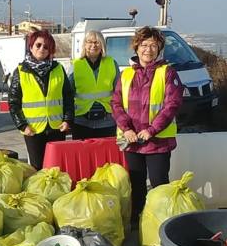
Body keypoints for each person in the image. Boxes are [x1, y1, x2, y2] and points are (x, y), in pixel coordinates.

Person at [111, 26, 183, 224]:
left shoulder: (167, 72)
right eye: (144, 45)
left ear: (159, 48)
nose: (148, 50)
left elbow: (172, 105)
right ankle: (138, 222)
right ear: (136, 47)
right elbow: (116, 104)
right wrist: (127, 129)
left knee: (159, 184)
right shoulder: (126, 75)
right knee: (137, 183)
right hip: (132, 141)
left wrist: (151, 130)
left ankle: (162, 223)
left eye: (153, 45)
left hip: (157, 141)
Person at [7, 29, 73, 169]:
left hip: (56, 128)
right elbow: (13, 103)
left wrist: (67, 120)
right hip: (33, 130)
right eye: (38, 45)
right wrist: (22, 126)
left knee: (57, 168)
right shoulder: (21, 71)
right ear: (31, 47)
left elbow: (68, 97)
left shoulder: (58, 69)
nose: (42, 49)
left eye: (46, 46)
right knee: (37, 169)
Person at [69, 30, 119, 139]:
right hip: (81, 121)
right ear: (84, 45)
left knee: (105, 155)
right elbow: (68, 93)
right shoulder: (76, 65)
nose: (93, 45)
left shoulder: (112, 63)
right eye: (89, 42)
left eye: (97, 42)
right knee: (82, 155)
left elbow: (118, 92)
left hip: (107, 121)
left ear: (102, 45)